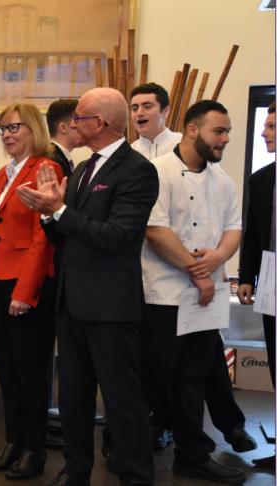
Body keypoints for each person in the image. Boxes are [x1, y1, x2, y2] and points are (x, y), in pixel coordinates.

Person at [18, 87, 158, 486]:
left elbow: (117, 236)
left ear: (100, 123)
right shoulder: (81, 169)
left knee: (121, 399)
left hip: (111, 306)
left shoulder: (137, 171)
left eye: (79, 116)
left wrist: (58, 210)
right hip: (73, 301)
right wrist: (48, 215)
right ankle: (76, 469)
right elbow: (68, 236)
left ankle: (134, 476)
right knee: (73, 397)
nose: (72, 123)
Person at [129, 82, 255, 455]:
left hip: (208, 296)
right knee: (156, 374)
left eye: (228, 132)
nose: (226, 139)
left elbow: (234, 228)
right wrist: (198, 271)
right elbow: (155, 230)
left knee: (197, 375)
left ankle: (194, 452)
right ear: (194, 130)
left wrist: (217, 259)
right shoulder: (156, 171)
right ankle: (140, 443)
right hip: (165, 293)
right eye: (220, 131)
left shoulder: (223, 180)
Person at [0, 103, 61, 480]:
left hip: (25, 283)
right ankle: (13, 440)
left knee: (30, 371)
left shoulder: (46, 168)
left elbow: (45, 237)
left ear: (35, 130)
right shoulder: (6, 173)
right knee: (6, 369)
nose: (8, 134)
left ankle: (34, 449)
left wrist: (25, 291)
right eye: (3, 128)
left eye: (15, 127)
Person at [238, 101, 276, 469]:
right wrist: (246, 276)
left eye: (272, 126)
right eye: (266, 124)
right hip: (271, 278)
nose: (264, 132)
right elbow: (252, 234)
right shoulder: (262, 180)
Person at [130, 82, 182, 160]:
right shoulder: (130, 152)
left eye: (147, 107)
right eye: (134, 108)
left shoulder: (183, 144)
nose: (139, 113)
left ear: (166, 111)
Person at [46, 98, 81, 178]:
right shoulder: (53, 161)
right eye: (77, 121)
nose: (83, 126)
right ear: (63, 128)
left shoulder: (59, 156)